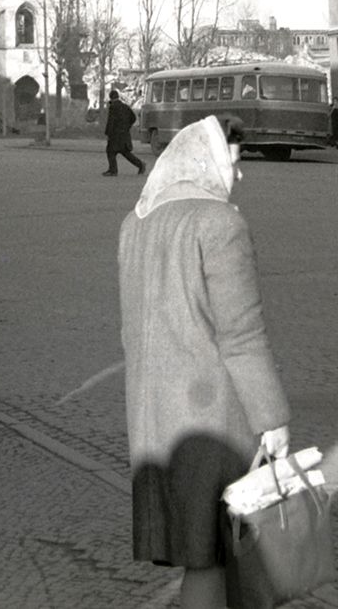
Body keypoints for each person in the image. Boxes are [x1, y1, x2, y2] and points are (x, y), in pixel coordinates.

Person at [119, 116, 290, 609]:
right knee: (212, 552)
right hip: (213, 416)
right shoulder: (220, 222)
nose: (239, 173)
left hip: (155, 416)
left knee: (199, 552)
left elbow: (131, 330)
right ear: (207, 160)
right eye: (233, 161)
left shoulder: (136, 222)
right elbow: (242, 335)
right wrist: (273, 419)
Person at [103, 89, 146, 176]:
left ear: (110, 97)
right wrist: (127, 126)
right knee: (125, 152)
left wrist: (108, 133)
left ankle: (113, 170)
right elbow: (133, 118)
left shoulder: (113, 107)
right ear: (118, 97)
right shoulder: (125, 107)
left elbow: (111, 122)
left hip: (115, 135)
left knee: (110, 152)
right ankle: (140, 165)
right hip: (124, 134)